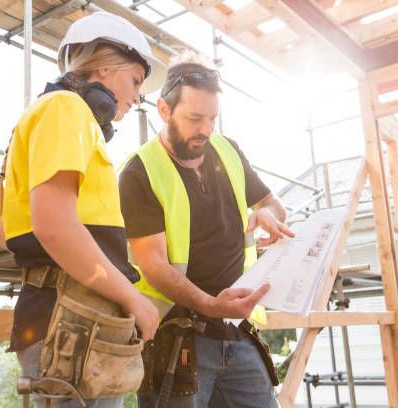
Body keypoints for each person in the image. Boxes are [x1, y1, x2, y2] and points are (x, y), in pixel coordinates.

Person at [0, 12, 166, 407]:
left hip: (72, 316)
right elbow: (56, 228)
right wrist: (133, 299)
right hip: (72, 318)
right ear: (103, 65)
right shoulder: (66, 110)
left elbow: (10, 233)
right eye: (135, 80)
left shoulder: (54, 114)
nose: (138, 96)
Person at [119, 52, 294, 407]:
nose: (206, 129)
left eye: (212, 118)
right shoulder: (139, 173)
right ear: (164, 111)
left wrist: (268, 215)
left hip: (237, 332)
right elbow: (153, 265)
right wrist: (211, 305)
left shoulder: (227, 150)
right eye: (194, 118)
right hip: (177, 338)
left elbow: (273, 205)